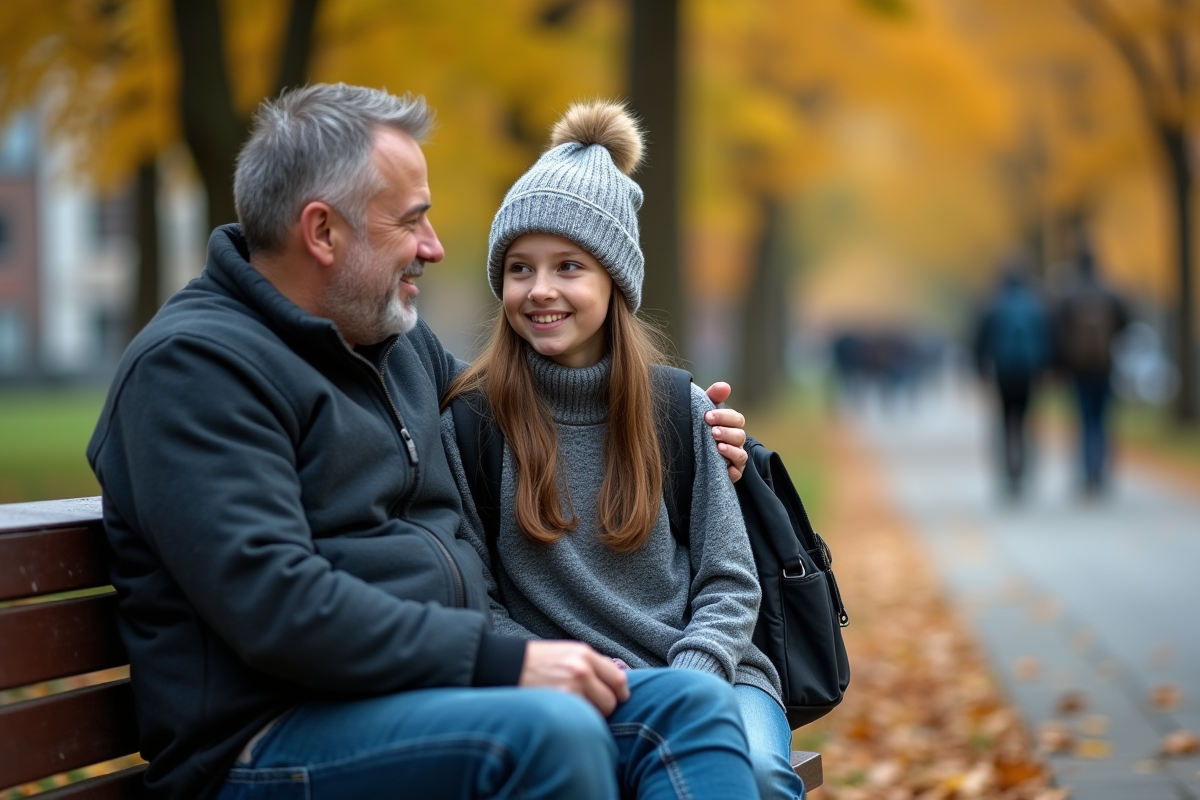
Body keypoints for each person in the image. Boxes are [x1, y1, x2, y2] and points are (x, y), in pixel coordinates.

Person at [86, 84, 760, 800]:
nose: (434, 248)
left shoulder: (393, 344)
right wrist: (502, 662)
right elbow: (275, 604)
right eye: (412, 221)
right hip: (271, 737)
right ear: (323, 232)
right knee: (552, 732)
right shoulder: (194, 370)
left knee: (691, 707)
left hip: (434, 696)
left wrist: (677, 424)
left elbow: (535, 402)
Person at [439, 101, 806, 800]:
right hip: (560, 694)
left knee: (756, 772)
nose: (540, 291)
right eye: (519, 269)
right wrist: (560, 674)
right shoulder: (473, 423)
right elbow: (478, 600)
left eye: (568, 266)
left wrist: (688, 686)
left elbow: (730, 583)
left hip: (713, 673)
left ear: (615, 281)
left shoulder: (677, 408)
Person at [1053, 247, 1131, 495]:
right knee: (1102, 421)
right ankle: (1100, 472)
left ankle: (1087, 473)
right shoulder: (1110, 292)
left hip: (1078, 369)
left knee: (1085, 421)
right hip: (1105, 366)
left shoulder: (1068, 294)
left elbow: (1058, 332)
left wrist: (1060, 364)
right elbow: (1126, 323)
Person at [972, 258, 1051, 498]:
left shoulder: (993, 303)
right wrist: (1047, 368)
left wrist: (980, 370)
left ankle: (1009, 474)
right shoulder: (1036, 303)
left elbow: (979, 340)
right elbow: (1048, 337)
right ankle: (1025, 471)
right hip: (1029, 372)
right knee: (1026, 422)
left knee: (1006, 422)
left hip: (1003, 371)